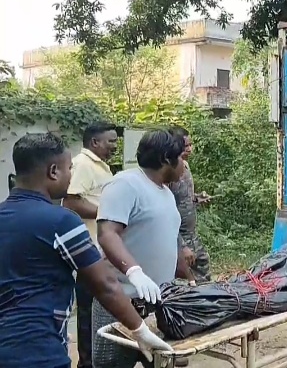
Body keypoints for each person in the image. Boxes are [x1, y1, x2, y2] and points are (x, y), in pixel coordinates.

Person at [0, 132, 172, 368]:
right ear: (53, 171)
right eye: (69, 168)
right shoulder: (61, 222)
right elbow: (106, 286)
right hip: (40, 350)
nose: (71, 175)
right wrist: (140, 330)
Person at [93, 129, 195, 368]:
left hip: (158, 305)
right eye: (182, 158)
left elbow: (167, 241)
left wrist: (190, 281)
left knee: (165, 362)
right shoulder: (126, 184)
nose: (185, 165)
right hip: (121, 304)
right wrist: (134, 272)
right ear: (166, 159)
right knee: (112, 364)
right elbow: (107, 234)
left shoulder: (166, 194)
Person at [62, 121, 118, 368]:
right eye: (111, 141)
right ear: (95, 142)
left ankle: (96, 358)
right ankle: (86, 362)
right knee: (87, 311)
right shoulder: (83, 164)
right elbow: (71, 203)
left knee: (98, 310)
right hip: (88, 252)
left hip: (101, 251)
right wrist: (106, 213)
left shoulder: (100, 165)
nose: (115, 146)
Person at [168, 126, 212, 283]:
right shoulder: (169, 174)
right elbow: (166, 212)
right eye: (185, 146)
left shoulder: (185, 166)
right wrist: (181, 246)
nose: (190, 149)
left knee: (202, 268)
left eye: (190, 145)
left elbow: (182, 197)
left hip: (191, 233)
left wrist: (196, 198)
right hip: (177, 236)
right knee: (183, 278)